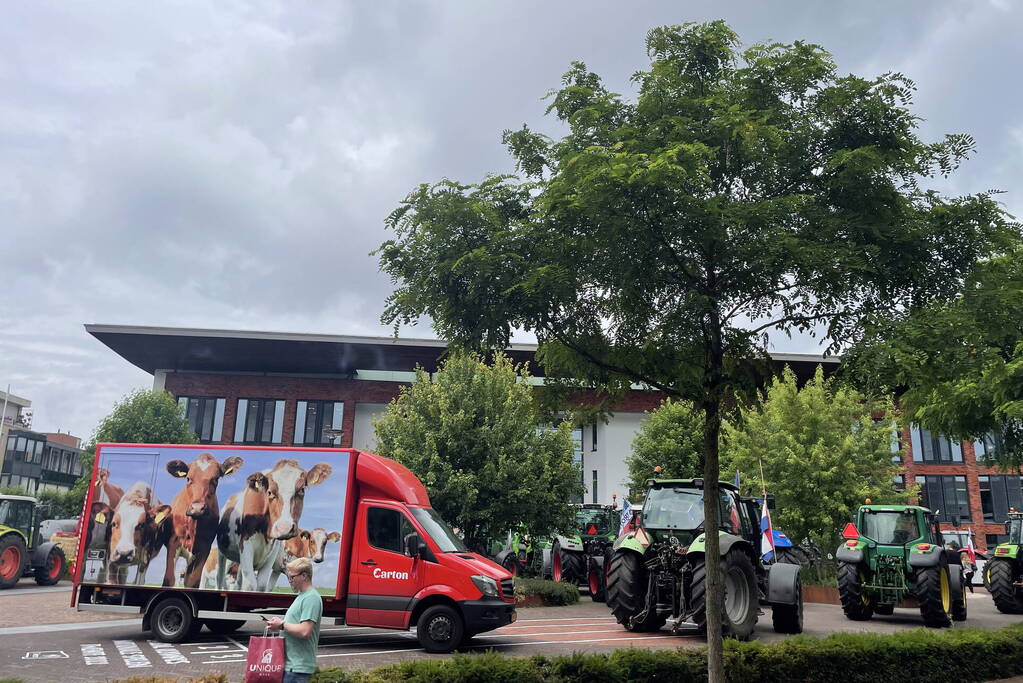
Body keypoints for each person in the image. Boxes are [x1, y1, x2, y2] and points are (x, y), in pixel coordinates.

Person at [267, 557, 323, 683]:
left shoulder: (311, 598)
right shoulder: (302, 596)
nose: (289, 581)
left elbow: (305, 631)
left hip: (298, 670)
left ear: (304, 576)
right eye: (288, 577)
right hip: (292, 668)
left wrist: (281, 625)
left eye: (292, 577)